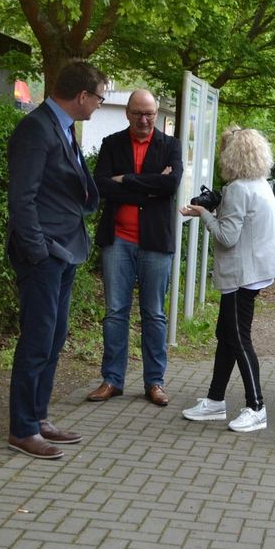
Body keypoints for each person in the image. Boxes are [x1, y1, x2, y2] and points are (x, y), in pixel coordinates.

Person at [6, 61, 107, 460]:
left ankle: (39, 416)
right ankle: (22, 429)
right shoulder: (36, 129)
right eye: (99, 98)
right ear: (82, 96)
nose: (99, 104)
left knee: (54, 336)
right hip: (44, 253)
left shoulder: (62, 127)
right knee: (37, 339)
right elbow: (22, 199)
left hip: (65, 250)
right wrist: (38, 251)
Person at [179, 127, 275, 433]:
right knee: (226, 335)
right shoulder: (261, 184)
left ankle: (257, 407)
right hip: (255, 271)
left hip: (241, 274)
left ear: (233, 155)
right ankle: (215, 400)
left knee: (238, 339)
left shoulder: (238, 189)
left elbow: (227, 236)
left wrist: (204, 214)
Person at [87, 89, 182, 407]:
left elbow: (170, 185)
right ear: (127, 113)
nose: (144, 119)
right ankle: (112, 380)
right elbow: (101, 185)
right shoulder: (112, 143)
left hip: (155, 241)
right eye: (138, 113)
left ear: (156, 114)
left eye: (149, 114)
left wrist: (124, 180)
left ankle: (155, 382)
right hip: (118, 240)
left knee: (154, 314)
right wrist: (149, 185)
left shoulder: (170, 146)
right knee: (115, 313)